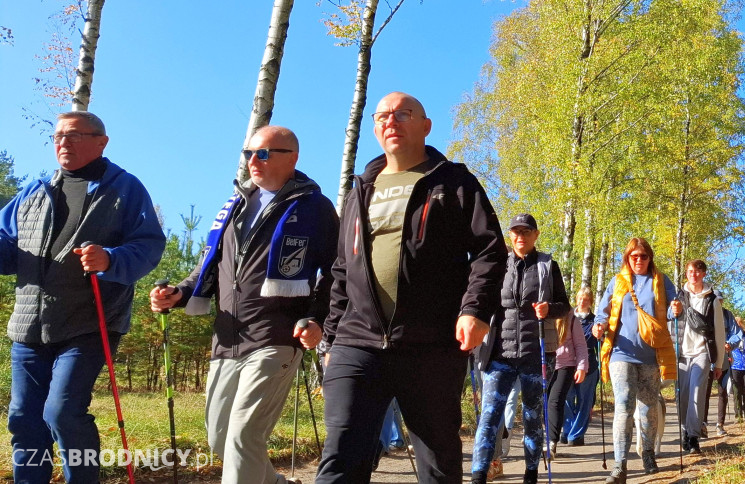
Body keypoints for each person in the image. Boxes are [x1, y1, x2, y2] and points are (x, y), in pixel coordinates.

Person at [317, 92, 506, 484]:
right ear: (374, 127)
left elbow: (489, 250)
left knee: (437, 460)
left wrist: (474, 310)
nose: (392, 120)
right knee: (340, 455)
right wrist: (330, 340)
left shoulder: (452, 182)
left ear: (425, 126)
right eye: (383, 115)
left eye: (404, 113)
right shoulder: (360, 189)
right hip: (357, 341)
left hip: (431, 341)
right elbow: (341, 271)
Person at [150, 125, 339, 484]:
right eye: (249, 153)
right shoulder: (235, 204)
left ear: (293, 158)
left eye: (264, 153)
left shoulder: (314, 207)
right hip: (227, 337)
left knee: (243, 435)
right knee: (221, 438)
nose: (254, 160)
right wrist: (179, 292)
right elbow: (210, 264)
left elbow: (335, 271)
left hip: (276, 335)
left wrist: (318, 319)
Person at [2, 111, 166, 484]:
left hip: (90, 323)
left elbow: (149, 244)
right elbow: (7, 245)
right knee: (24, 418)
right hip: (28, 327)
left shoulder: (125, 188)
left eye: (74, 135)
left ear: (101, 142)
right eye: (58, 136)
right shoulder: (35, 189)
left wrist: (111, 258)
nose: (64, 142)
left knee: (62, 412)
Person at [469, 212, 571, 484]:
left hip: (535, 354)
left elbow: (565, 306)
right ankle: (478, 475)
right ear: (510, 235)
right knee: (489, 417)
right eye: (515, 231)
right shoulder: (497, 265)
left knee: (531, 417)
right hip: (498, 353)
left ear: (535, 235)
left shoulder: (548, 266)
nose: (520, 236)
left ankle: (531, 473)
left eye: (526, 231)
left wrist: (550, 308)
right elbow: (477, 298)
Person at [593, 238, 681, 483]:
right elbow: (603, 311)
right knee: (623, 404)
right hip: (621, 351)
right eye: (634, 256)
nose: (639, 261)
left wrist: (677, 308)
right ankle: (620, 465)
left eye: (643, 256)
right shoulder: (617, 281)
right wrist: (598, 326)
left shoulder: (661, 281)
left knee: (648, 406)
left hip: (652, 354)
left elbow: (676, 306)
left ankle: (648, 453)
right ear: (627, 258)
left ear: (650, 257)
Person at [677, 259, 725, 455]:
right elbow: (668, 323)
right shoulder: (678, 297)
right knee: (683, 396)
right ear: (686, 274)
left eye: (697, 272)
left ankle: (693, 436)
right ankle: (684, 430)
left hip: (702, 352)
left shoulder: (712, 300)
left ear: (704, 274)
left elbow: (720, 332)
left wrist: (719, 362)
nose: (693, 275)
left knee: (697, 392)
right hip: (681, 352)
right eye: (690, 271)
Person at [545, 303, 588, 457]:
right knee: (541, 402)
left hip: (565, 366)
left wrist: (582, 367)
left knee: (554, 401)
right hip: (543, 365)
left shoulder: (571, 319)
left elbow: (581, 345)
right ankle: (536, 437)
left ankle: (551, 442)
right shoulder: (540, 315)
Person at [561, 286, 600, 446]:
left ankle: (576, 435)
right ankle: (568, 429)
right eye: (580, 298)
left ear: (590, 302)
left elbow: (599, 342)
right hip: (567, 363)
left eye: (586, 299)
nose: (582, 301)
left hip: (589, 364)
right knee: (566, 398)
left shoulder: (595, 321)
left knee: (585, 401)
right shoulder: (566, 317)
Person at [702, 306, 741, 437]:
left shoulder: (726, 314)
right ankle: (703, 424)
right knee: (704, 392)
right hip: (705, 357)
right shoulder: (703, 310)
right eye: (715, 299)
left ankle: (720, 424)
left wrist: (730, 343)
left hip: (723, 358)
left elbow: (737, 333)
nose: (718, 302)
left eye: (720, 300)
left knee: (722, 392)